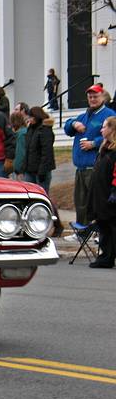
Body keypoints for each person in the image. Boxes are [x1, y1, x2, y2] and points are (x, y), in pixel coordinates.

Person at [63, 84, 116, 225]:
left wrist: (93, 143)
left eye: (95, 96)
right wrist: (74, 123)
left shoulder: (109, 115)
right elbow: (67, 128)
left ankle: (97, 230)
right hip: (80, 167)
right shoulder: (84, 116)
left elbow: (112, 135)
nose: (92, 99)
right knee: (80, 200)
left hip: (95, 166)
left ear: (102, 97)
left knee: (95, 200)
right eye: (90, 97)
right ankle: (81, 229)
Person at [86, 116, 116, 268]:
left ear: (112, 130)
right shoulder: (104, 149)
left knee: (112, 227)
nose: (101, 129)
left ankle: (109, 256)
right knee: (103, 226)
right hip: (100, 194)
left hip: (110, 195)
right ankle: (106, 256)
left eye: (105, 127)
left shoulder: (114, 152)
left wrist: (114, 191)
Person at [22, 107, 56, 192]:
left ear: (36, 117)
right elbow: (28, 149)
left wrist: (42, 171)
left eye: (31, 117)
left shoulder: (45, 130)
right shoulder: (31, 128)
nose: (29, 119)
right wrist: (24, 166)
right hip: (29, 169)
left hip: (41, 170)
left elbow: (47, 152)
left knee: (41, 193)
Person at [10, 111, 28, 180]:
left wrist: (17, 169)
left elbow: (20, 153)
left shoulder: (21, 134)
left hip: (20, 170)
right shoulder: (25, 131)